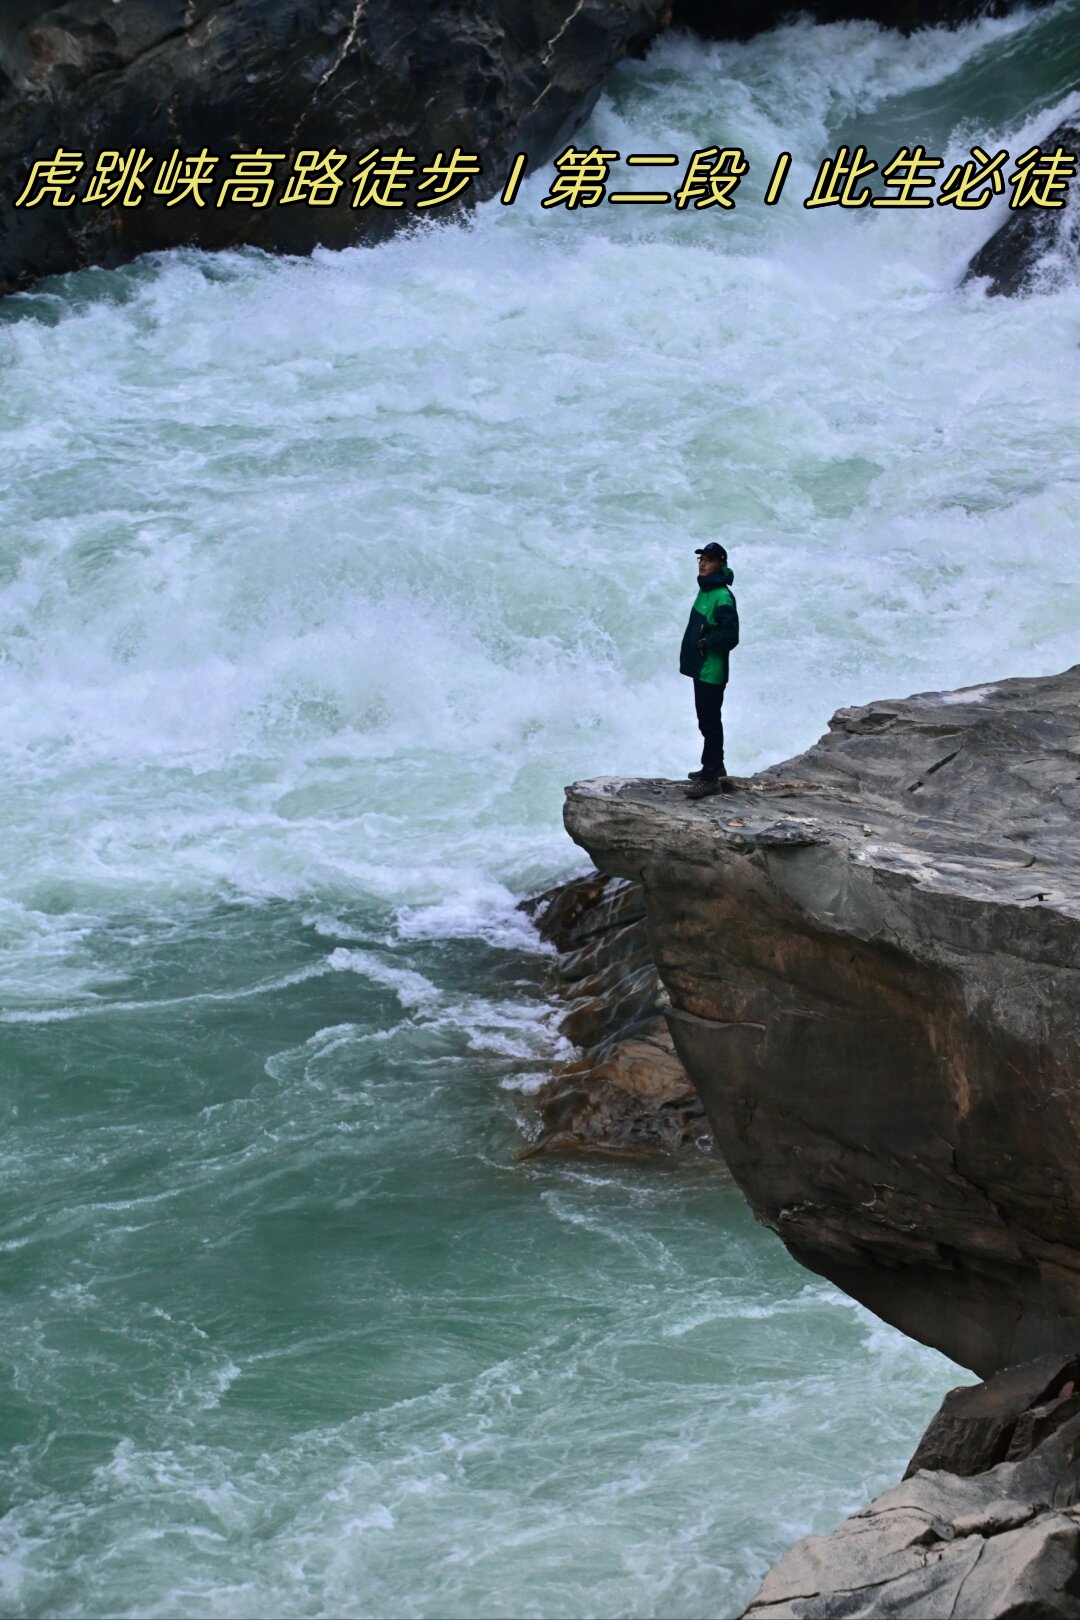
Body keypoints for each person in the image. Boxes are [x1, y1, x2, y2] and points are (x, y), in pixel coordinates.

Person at [679, 541, 739, 799]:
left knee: (709, 722)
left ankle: (711, 776)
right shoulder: (706, 589)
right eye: (701, 559)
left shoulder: (722, 595)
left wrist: (705, 642)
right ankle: (717, 765)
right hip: (701, 667)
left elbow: (731, 636)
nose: (703, 563)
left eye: (709, 559)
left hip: (711, 670)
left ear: (720, 564)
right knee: (707, 720)